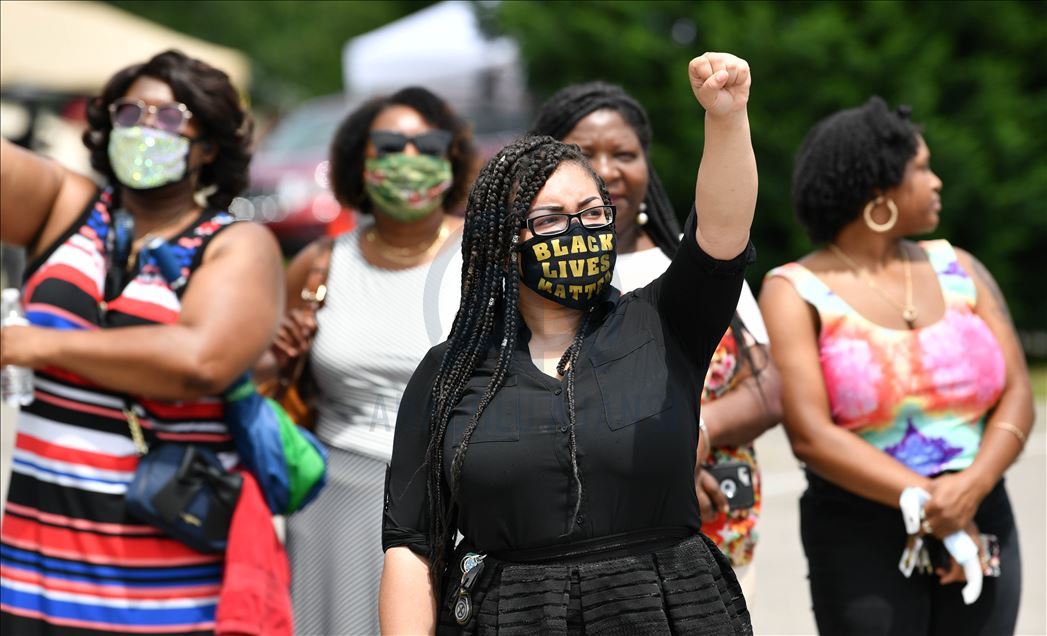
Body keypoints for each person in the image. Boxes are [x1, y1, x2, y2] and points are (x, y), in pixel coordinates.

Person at [381, 52, 757, 634]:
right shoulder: (448, 374)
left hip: (668, 612)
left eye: (592, 213)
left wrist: (727, 120)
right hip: (514, 617)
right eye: (551, 219)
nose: (577, 232)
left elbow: (723, 233)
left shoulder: (663, 324)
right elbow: (411, 548)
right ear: (504, 243)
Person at [0, 50, 282, 635]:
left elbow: (199, 362)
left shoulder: (235, 245)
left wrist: (37, 346)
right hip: (30, 577)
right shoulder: (67, 209)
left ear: (207, 146)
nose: (144, 130)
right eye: (130, 114)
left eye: (170, 118)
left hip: (161, 594)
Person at [760, 97, 1034, 635]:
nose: (936, 182)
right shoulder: (793, 290)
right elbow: (811, 435)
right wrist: (936, 502)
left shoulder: (961, 267)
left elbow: (1019, 392)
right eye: (922, 168)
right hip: (864, 533)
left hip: (983, 513)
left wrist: (972, 487)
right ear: (877, 189)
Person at [530, 82, 782, 599]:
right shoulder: (534, 280)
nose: (608, 168)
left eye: (625, 153)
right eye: (582, 153)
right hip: (594, 541)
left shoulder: (691, 264)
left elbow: (769, 388)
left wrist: (693, 438)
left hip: (714, 530)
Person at [257, 87, 476, 636]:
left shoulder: (483, 260)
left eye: (427, 143)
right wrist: (280, 353)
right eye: (389, 145)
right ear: (360, 161)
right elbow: (262, 377)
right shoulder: (320, 263)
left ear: (451, 157)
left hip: (454, 495)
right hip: (334, 495)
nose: (408, 159)